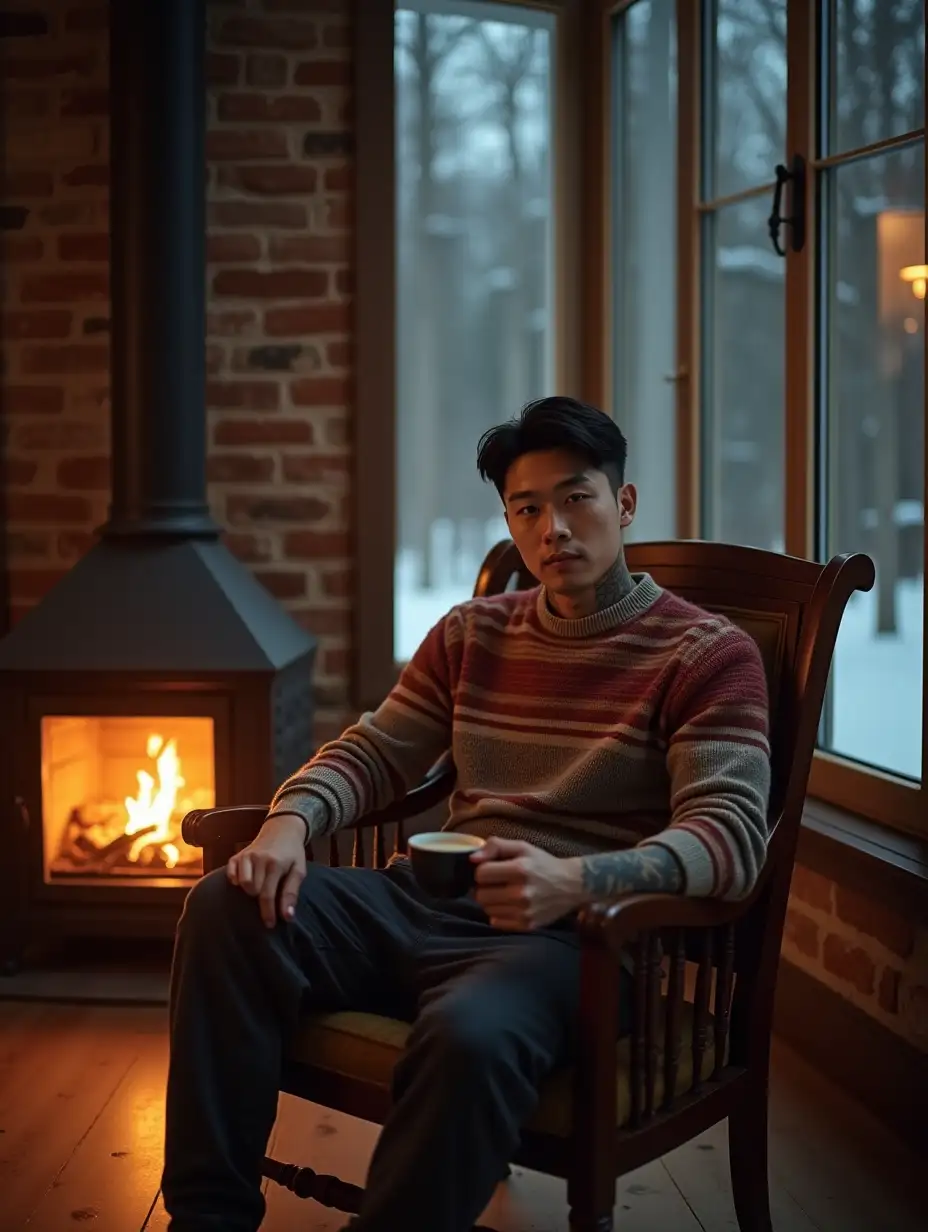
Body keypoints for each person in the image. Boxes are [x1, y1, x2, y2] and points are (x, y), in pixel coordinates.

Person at [161, 396, 771, 1232]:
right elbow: (374, 752)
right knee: (225, 905)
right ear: (511, 525)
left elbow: (729, 838)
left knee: (470, 1035)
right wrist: (287, 823)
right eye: (528, 508)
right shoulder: (473, 633)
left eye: (577, 497)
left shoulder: (707, 653)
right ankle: (207, 1220)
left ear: (624, 505)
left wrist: (574, 881)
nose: (553, 526)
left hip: (579, 941)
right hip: (424, 900)